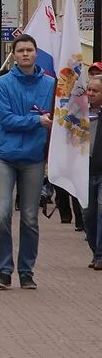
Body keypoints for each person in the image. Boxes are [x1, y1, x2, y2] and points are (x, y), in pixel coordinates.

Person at [0, 34, 55, 291]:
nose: (25, 54)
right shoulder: (2, 84)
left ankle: (26, 271)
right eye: (21, 50)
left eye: (29, 50)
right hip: (3, 156)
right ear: (14, 55)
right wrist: (36, 121)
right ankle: (4, 271)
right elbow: (7, 120)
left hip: (33, 158)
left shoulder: (51, 85)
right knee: (2, 214)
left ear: (36, 53)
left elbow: (58, 118)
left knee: (29, 217)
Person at [83, 75, 102, 270]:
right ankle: (96, 250)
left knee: (101, 210)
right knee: (87, 214)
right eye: (89, 90)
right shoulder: (80, 113)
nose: (90, 94)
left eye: (95, 91)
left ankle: (100, 255)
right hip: (85, 171)